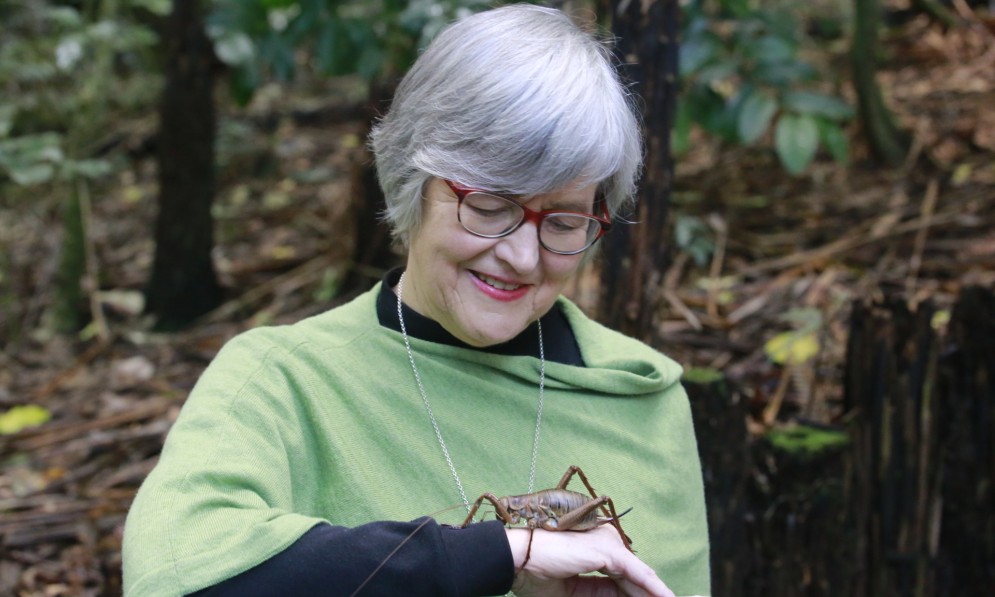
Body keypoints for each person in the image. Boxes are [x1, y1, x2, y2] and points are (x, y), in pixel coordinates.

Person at [122, 4, 710, 596]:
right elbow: (173, 578)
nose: (523, 257)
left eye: (563, 221)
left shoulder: (644, 399)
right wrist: (490, 553)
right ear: (414, 184)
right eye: (490, 207)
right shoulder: (281, 382)